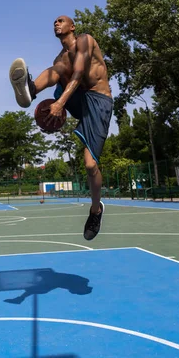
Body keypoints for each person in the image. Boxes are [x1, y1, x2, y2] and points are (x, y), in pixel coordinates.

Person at [9, 15, 113, 241]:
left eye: (60, 20)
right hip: (77, 97)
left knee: (90, 164)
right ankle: (31, 88)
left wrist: (59, 103)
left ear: (72, 26)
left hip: (97, 101)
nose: (56, 23)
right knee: (57, 69)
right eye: (54, 22)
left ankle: (96, 210)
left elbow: (78, 73)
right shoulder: (61, 56)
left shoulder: (85, 40)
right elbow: (65, 73)